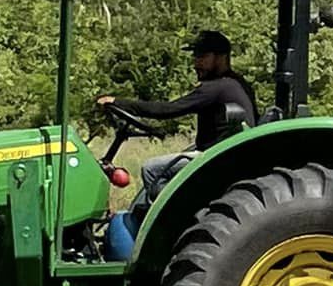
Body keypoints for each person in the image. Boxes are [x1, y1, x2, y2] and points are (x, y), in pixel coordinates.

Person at [98, 30, 258, 219]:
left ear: (222, 58)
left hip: (219, 158)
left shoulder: (218, 87)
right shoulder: (236, 83)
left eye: (203, 57)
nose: (196, 63)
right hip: (225, 154)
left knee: (151, 168)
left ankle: (174, 222)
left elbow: (168, 109)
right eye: (195, 56)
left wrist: (117, 102)